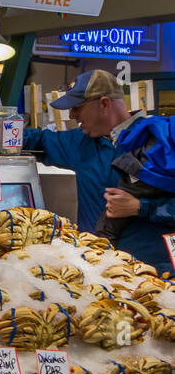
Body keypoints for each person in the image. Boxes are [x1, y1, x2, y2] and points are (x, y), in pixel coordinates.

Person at [24, 70, 175, 274]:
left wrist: (141, 207)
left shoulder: (163, 139)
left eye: (77, 108)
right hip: (99, 271)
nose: (72, 116)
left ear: (104, 104)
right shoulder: (78, 141)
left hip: (155, 271)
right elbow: (30, 140)